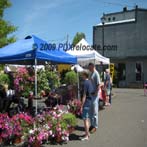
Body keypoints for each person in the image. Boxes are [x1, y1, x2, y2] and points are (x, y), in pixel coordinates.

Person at [80, 71, 94, 141]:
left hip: (86, 103)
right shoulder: (90, 82)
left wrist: (81, 106)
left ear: (84, 75)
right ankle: (87, 133)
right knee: (87, 118)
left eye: (82, 75)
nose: (81, 76)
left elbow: (84, 95)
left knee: (85, 120)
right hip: (90, 102)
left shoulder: (85, 83)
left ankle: (87, 136)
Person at [88, 63, 101, 133]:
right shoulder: (91, 73)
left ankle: (95, 126)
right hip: (90, 95)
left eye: (90, 67)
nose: (89, 69)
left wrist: (95, 93)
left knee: (95, 111)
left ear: (93, 66)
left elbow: (99, 85)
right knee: (90, 111)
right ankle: (92, 125)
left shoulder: (96, 74)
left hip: (94, 96)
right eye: (88, 67)